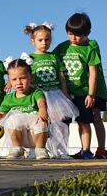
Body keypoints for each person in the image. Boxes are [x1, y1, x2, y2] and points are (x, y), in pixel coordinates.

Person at [53, 13, 107, 159]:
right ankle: (84, 149)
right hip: (73, 92)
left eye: (78, 35)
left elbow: (93, 73)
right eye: (70, 34)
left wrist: (91, 94)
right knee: (81, 120)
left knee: (95, 117)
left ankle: (101, 149)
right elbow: (51, 60)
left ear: (87, 34)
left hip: (91, 90)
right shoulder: (62, 48)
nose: (74, 38)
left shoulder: (91, 46)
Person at [24, 22, 79, 158]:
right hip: (39, 96)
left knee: (58, 124)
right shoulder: (29, 58)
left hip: (56, 96)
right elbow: (24, 76)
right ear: (33, 41)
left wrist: (65, 93)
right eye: (40, 40)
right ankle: (36, 150)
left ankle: (60, 151)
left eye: (47, 40)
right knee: (38, 124)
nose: (44, 43)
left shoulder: (53, 57)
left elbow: (61, 76)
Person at [0, 58, 50, 160]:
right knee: (11, 119)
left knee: (41, 120)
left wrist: (42, 109)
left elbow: (41, 102)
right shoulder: (8, 98)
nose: (19, 82)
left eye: (23, 78)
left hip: (36, 133)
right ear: (9, 81)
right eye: (14, 79)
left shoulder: (36, 92)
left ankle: (40, 149)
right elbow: (1, 118)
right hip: (19, 134)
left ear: (31, 77)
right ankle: (17, 148)